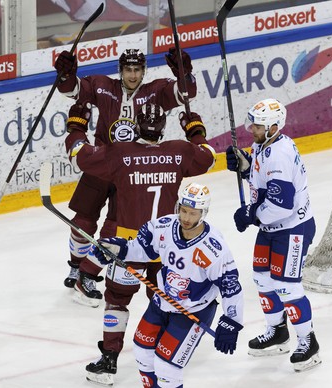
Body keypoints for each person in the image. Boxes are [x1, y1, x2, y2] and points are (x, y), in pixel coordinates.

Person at [65, 101, 216, 385]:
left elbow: (78, 156)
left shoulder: (119, 154)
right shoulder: (179, 151)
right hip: (167, 248)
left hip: (130, 244)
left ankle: (109, 362)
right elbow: (208, 156)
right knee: (164, 302)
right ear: (162, 127)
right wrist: (194, 129)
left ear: (136, 125)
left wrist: (76, 127)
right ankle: (162, 353)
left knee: (117, 300)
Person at [54, 46, 196, 306]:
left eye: (137, 69)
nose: (133, 75)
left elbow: (186, 94)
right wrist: (65, 76)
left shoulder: (155, 91)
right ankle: (75, 267)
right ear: (120, 71)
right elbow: (72, 91)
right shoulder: (102, 85)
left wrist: (185, 74)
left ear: (144, 71)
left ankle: (89, 269)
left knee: (114, 226)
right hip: (103, 162)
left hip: (132, 171)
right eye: (128, 69)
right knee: (83, 221)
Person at [90, 183, 244, 388]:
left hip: (193, 311)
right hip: (161, 302)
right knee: (142, 351)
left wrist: (231, 322)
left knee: (166, 367)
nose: (186, 218)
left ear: (203, 213)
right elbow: (141, 249)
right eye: (183, 210)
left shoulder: (213, 248)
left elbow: (230, 286)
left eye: (193, 213)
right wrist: (119, 248)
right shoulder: (163, 227)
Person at [225, 98, 321, 372]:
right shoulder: (262, 145)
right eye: (252, 123)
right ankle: (278, 332)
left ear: (274, 127)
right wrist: (244, 166)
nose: (251, 129)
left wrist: (250, 215)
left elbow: (282, 204)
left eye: (257, 125)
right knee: (261, 277)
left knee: (287, 286)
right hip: (272, 228)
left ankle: (308, 342)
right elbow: (260, 180)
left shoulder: (280, 153)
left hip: (292, 229)